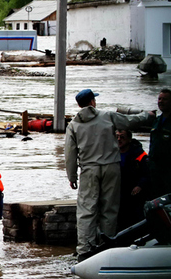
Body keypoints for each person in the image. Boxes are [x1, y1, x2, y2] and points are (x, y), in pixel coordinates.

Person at [65, 88, 155, 260]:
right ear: (92, 102)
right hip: (111, 167)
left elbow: (70, 154)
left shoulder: (74, 125)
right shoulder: (107, 116)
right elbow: (130, 121)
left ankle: (84, 250)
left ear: (79, 105)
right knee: (109, 209)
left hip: (89, 169)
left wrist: (72, 176)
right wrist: (147, 115)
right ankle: (106, 248)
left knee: (86, 211)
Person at [115, 129, 150, 231]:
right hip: (118, 193)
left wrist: (140, 185)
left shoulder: (140, 154)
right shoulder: (112, 153)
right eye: (117, 137)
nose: (119, 140)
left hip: (134, 194)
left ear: (129, 139)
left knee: (135, 220)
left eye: (122, 137)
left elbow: (147, 174)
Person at [149, 88, 171, 198]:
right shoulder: (157, 121)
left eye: (165, 99)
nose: (161, 101)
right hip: (155, 169)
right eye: (159, 99)